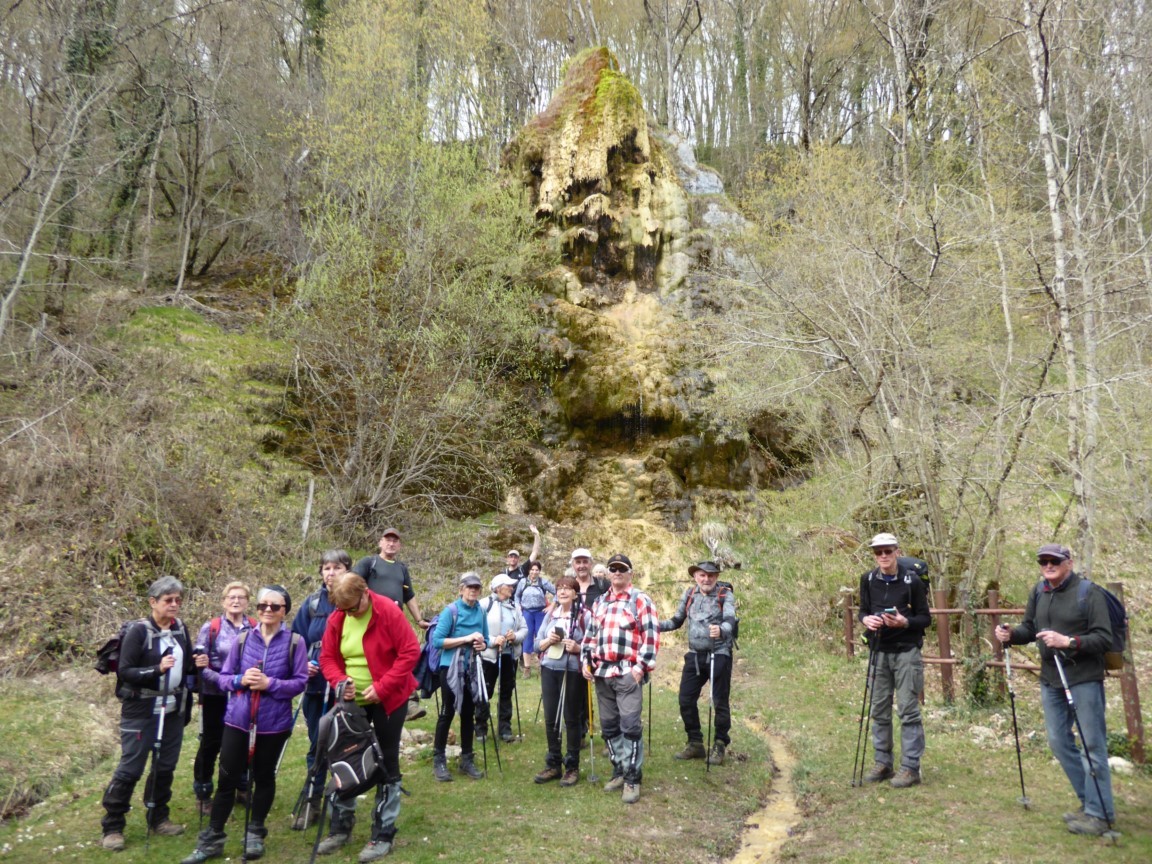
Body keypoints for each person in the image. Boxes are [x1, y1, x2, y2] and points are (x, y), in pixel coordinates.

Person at [995, 543, 1116, 836]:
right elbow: (1029, 629)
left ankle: (1100, 815)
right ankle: (1089, 802)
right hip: (1051, 679)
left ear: (1069, 563)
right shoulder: (1040, 591)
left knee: (1092, 746)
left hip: (1084, 678)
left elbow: (1104, 638)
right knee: (1059, 742)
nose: (1048, 565)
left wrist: (1069, 642)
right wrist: (1011, 635)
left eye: (1054, 560)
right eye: (1043, 561)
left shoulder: (1089, 593)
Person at [180, 586, 308, 863]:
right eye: (262, 606)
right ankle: (212, 839)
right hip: (237, 721)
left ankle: (255, 833)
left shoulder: (295, 642)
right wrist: (242, 681)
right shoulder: (241, 640)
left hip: (273, 724)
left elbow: (300, 682)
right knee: (226, 778)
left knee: (263, 778)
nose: (267, 611)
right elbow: (224, 678)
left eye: (274, 606)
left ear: (284, 610)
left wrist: (269, 684)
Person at [314, 573, 421, 861]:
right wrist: (340, 681)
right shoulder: (338, 616)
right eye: (344, 609)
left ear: (365, 594)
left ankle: (383, 832)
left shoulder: (387, 610)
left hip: (389, 698)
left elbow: (410, 652)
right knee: (343, 758)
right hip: (351, 700)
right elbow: (327, 657)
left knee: (386, 760)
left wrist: (383, 686)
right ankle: (341, 827)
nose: (349, 613)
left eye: (353, 608)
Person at [100, 576, 195, 851]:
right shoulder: (138, 632)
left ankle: (159, 818)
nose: (174, 605)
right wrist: (157, 670)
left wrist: (197, 665)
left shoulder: (180, 629)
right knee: (131, 767)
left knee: (165, 766)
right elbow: (125, 672)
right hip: (141, 710)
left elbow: (186, 666)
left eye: (178, 600)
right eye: (168, 600)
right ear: (153, 602)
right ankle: (113, 826)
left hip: (173, 708)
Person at [581, 553, 660, 804]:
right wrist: (586, 660)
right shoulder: (601, 602)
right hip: (602, 673)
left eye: (622, 569)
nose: (616, 573)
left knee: (630, 726)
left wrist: (640, 668)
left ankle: (632, 779)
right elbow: (591, 635)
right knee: (610, 725)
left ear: (630, 574)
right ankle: (619, 769)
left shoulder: (641, 600)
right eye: (613, 569)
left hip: (627, 672)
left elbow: (651, 635)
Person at [857, 532, 931, 788]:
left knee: (908, 709)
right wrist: (866, 620)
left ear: (897, 551)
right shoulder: (867, 579)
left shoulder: (913, 582)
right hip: (878, 650)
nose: (883, 556)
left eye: (888, 551)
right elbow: (863, 611)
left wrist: (904, 622)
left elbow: (926, 619)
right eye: (878, 552)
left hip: (907, 651)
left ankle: (911, 767)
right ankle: (883, 762)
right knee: (878, 708)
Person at [288, 550, 348, 830]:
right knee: (317, 744)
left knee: (342, 745)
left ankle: (340, 802)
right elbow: (295, 639)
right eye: (326, 567)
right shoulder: (312, 603)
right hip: (314, 686)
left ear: (348, 570)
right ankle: (312, 802)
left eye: (337, 567)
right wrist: (303, 665)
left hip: (345, 687)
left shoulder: (356, 602)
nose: (330, 573)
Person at [660, 561, 738, 766]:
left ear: (717, 576)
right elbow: (676, 621)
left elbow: (731, 619)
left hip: (719, 654)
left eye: (711, 575)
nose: (707, 579)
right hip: (694, 655)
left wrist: (721, 629)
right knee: (685, 699)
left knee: (719, 701)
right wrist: (654, 626)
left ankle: (720, 743)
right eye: (702, 575)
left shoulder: (725, 594)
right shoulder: (689, 594)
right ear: (695, 576)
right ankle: (695, 743)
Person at [190, 581, 256, 816]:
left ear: (248, 602)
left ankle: (242, 785)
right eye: (231, 597)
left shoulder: (255, 627)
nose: (236, 601)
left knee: (243, 742)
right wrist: (213, 674)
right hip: (215, 694)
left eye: (241, 597)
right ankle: (203, 791)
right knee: (211, 743)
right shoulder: (212, 627)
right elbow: (200, 659)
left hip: (245, 695)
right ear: (223, 601)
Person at [430, 572, 489, 781]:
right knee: (447, 712)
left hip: (471, 666)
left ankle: (467, 758)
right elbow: (438, 640)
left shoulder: (481, 611)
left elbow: (487, 639)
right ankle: (438, 760)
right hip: (450, 667)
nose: (473, 591)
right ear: (461, 589)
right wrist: (466, 638)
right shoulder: (451, 611)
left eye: (477, 588)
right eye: (469, 587)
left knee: (468, 712)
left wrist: (482, 644)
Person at [534, 574, 591, 787]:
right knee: (551, 718)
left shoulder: (585, 616)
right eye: (560, 589)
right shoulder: (551, 616)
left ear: (576, 593)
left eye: (568, 588)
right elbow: (536, 644)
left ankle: (572, 766)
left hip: (573, 671)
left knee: (571, 719)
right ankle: (554, 764)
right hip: (550, 669)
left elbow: (594, 643)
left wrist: (578, 648)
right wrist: (549, 640)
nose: (563, 592)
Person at [477, 574, 527, 744]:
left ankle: (505, 729)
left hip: (509, 655)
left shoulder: (514, 606)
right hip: (489, 656)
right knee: (486, 691)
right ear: (498, 588)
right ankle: (480, 727)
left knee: (506, 691)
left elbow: (524, 628)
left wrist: (515, 636)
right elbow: (477, 629)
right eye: (509, 586)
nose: (512, 588)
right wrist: (492, 641)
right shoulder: (485, 604)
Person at [515, 560, 556, 677]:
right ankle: (527, 669)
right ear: (529, 571)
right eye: (532, 569)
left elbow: (557, 592)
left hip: (540, 613)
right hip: (527, 613)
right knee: (527, 639)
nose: (534, 572)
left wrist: (551, 606)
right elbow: (517, 596)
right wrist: (518, 607)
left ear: (539, 571)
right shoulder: (523, 582)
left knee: (541, 638)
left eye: (537, 570)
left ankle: (543, 665)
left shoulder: (543, 582)